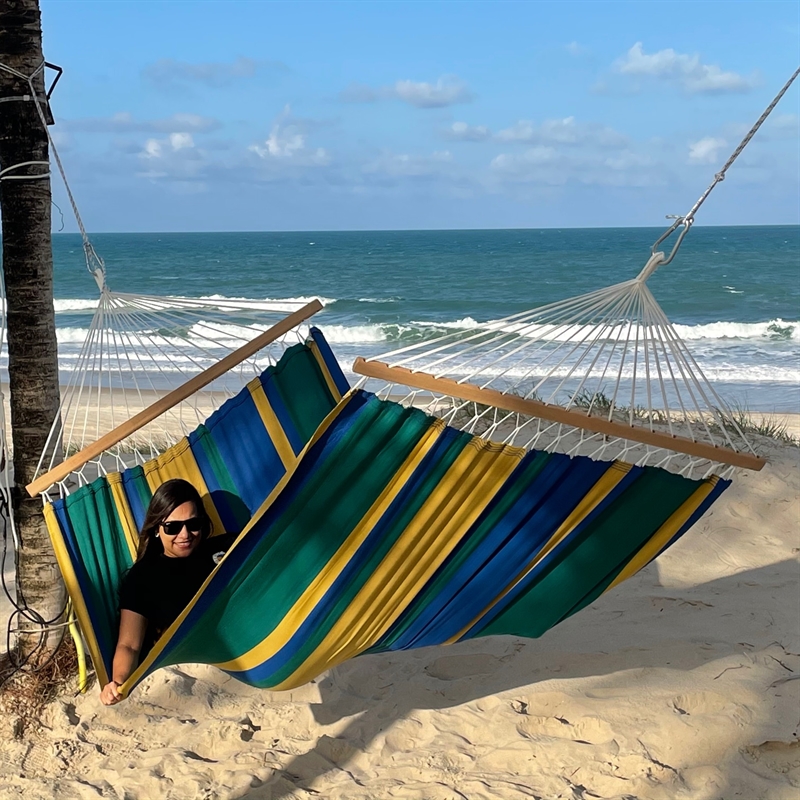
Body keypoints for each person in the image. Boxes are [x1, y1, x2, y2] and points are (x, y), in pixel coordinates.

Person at [100, 478, 236, 706]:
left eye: (193, 524)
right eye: (173, 527)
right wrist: (118, 682)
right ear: (156, 529)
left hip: (240, 656)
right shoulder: (143, 578)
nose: (185, 534)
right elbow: (129, 645)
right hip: (192, 674)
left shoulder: (227, 546)